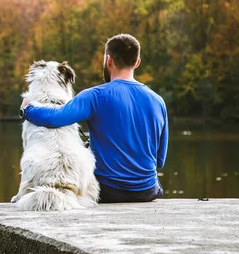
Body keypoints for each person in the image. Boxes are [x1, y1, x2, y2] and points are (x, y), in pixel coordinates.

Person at [19, 34, 168, 203]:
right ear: (137, 62)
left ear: (108, 60)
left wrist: (27, 110)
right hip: (148, 191)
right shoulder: (158, 101)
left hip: (108, 192)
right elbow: (160, 160)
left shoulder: (95, 96)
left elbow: (54, 118)